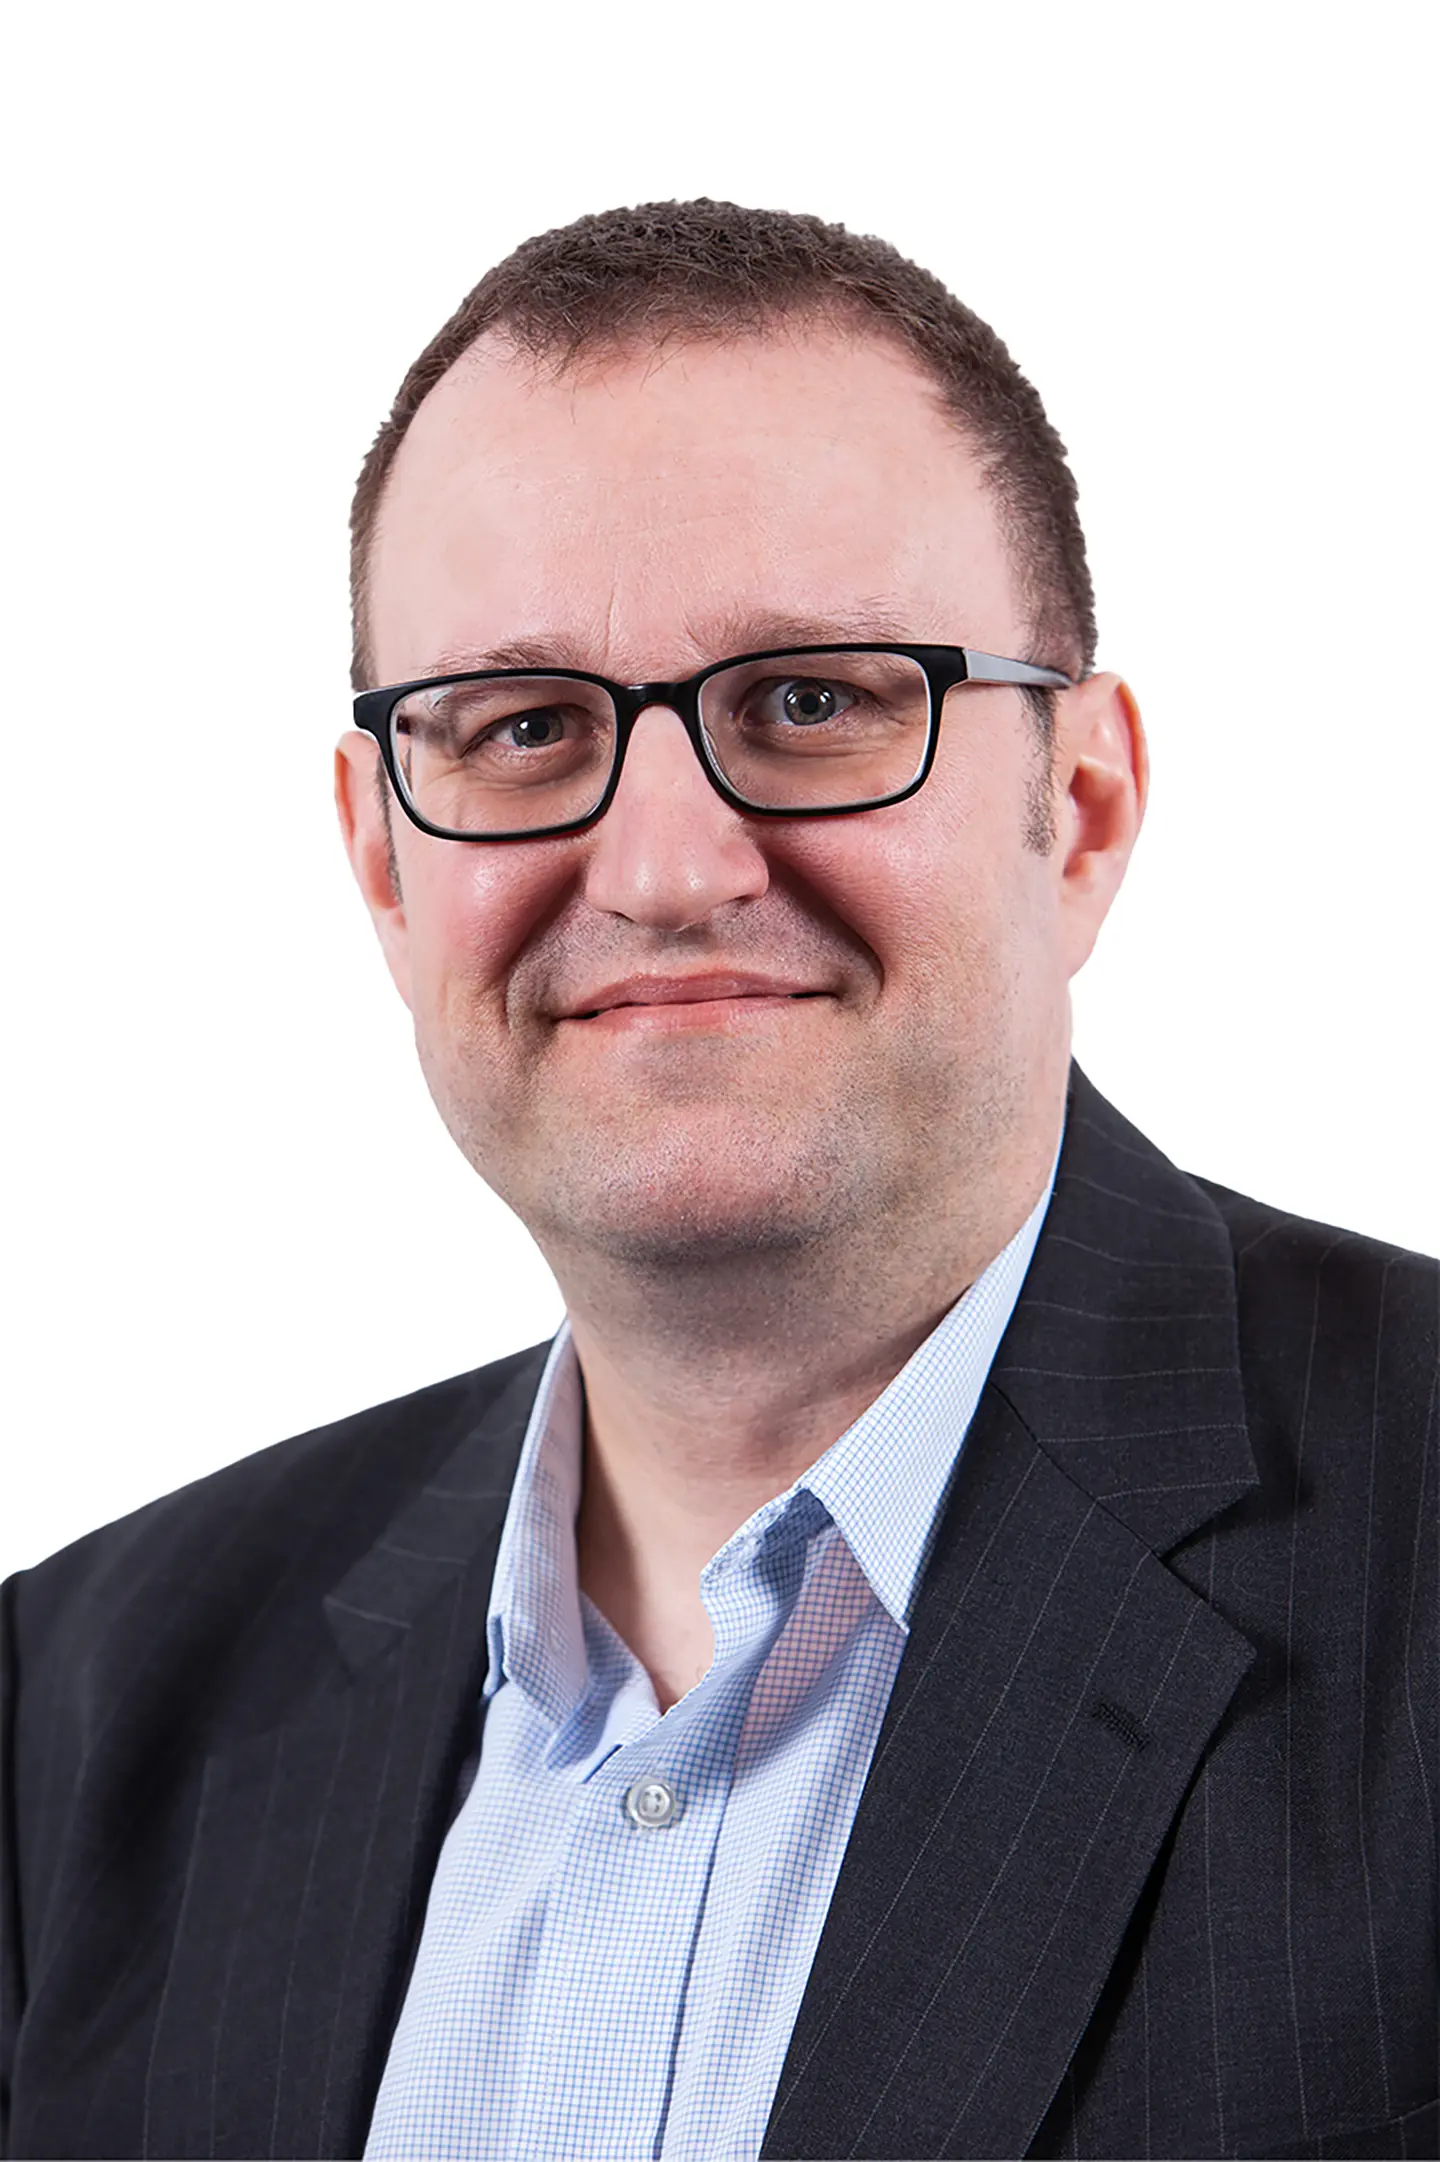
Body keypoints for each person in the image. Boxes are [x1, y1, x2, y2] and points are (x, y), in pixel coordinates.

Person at [1, 199, 1434, 2162]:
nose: (669, 863)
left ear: (1080, 808)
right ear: (384, 859)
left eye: (816, 702)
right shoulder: (66, 1722)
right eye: (521, 727)